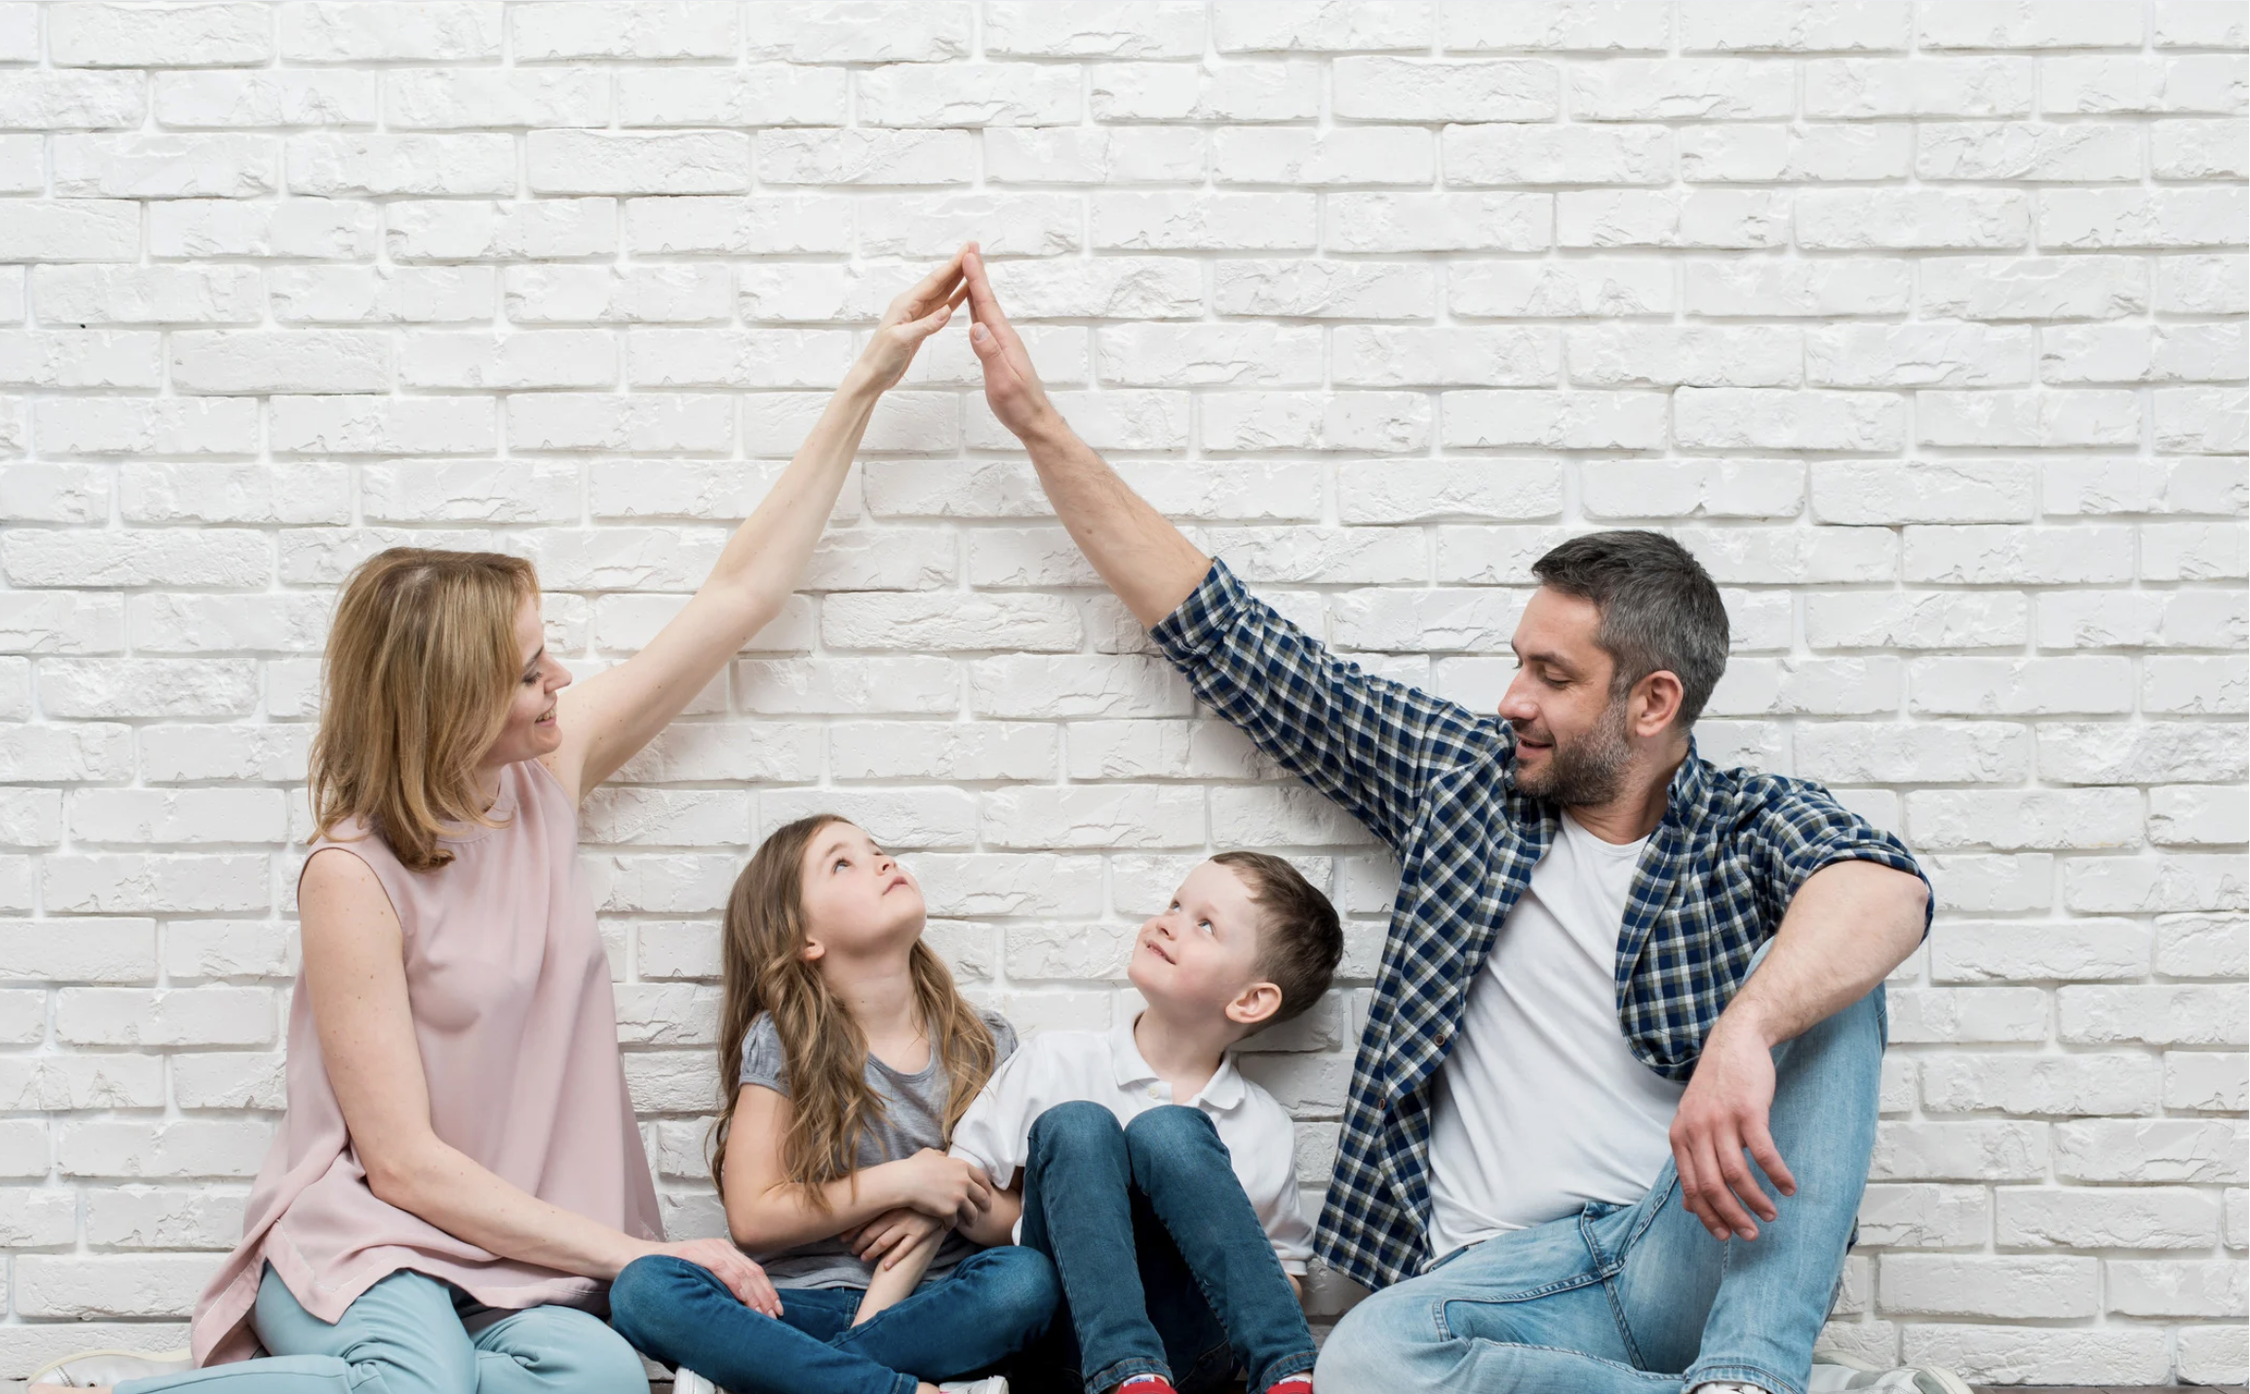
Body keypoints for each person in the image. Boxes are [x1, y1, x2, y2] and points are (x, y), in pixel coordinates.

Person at [955, 248, 1972, 1394]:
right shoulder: (1463, 777)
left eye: (1550, 675)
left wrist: (1745, 1029)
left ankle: (1749, 1367)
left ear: (1651, 701)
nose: (1511, 700)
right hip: (1494, 1282)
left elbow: (1887, 887)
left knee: (1841, 975)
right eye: (1514, 665)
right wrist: (1037, 424)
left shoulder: (1741, 822)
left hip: (1677, 1244)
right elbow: (1235, 639)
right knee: (1366, 1360)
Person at [26, 251, 979, 1394]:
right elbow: (407, 1165)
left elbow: (737, 598)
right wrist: (644, 1250)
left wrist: (868, 377)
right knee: (421, 1386)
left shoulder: (548, 769)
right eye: (531, 669)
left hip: (530, 1260)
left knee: (609, 1385)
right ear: (450, 696)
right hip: (373, 1243)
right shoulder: (350, 875)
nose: (560, 678)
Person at [608, 815, 1060, 1394]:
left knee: (1026, 1280)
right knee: (643, 1287)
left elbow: (1014, 1225)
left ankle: (798, 1382)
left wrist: (950, 1194)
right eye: (843, 863)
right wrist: (906, 1179)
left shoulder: (986, 1042)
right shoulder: (782, 1041)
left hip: (932, 1309)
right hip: (793, 1309)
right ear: (805, 939)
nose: (884, 862)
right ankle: (887, 1388)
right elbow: (752, 1217)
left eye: (878, 850)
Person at [938, 852, 1343, 1394]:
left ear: (1250, 1000)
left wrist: (1203, 1241)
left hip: (1190, 1352)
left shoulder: (1262, 1125)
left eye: (1205, 924)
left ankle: (1288, 1372)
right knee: (1079, 1125)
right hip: (1065, 1346)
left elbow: (1286, 1275)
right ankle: (1129, 1375)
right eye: (1175, 903)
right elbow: (962, 1186)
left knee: (1169, 1133)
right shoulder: (1056, 1060)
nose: (1167, 921)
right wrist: (1061, 1218)